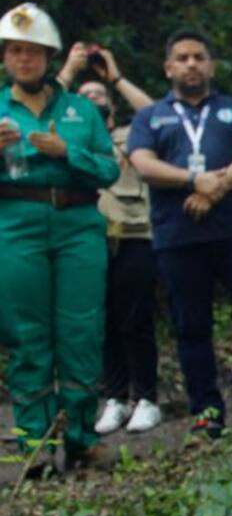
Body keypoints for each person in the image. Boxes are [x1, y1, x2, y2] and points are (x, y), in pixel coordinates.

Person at [129, 28, 232, 438]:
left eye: (199, 57)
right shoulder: (150, 116)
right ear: (168, 68)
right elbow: (143, 164)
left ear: (211, 65)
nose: (191, 64)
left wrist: (216, 185)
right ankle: (206, 412)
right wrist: (192, 180)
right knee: (191, 325)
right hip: (179, 237)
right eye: (182, 57)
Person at [0, 3, 120, 471]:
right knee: (27, 333)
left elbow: (109, 169)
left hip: (77, 224)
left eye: (33, 52)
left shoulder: (80, 109)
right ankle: (35, 445)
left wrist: (68, 151)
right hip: (15, 223)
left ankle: (81, 437)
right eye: (15, 52)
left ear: (49, 58)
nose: (24, 60)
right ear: (6, 58)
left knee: (81, 331)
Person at [72, 71, 163, 435]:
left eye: (99, 93)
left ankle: (147, 397)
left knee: (136, 318)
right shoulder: (68, 138)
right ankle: (115, 397)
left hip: (134, 234)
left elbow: (159, 116)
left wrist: (118, 77)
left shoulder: (132, 135)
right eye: (84, 95)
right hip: (86, 238)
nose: (93, 99)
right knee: (104, 321)